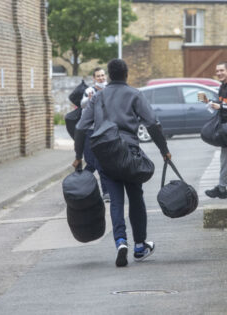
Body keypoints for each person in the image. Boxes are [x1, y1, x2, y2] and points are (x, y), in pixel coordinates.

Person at [72, 59, 171, 267]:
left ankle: (120, 242)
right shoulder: (135, 94)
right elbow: (152, 123)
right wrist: (164, 151)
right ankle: (140, 245)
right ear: (126, 74)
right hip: (129, 153)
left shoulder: (98, 97)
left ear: (108, 75)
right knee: (136, 198)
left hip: (105, 156)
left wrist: (78, 155)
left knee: (116, 201)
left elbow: (81, 127)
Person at [201, 62, 227, 199]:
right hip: (226, 127)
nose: (219, 73)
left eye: (222, 70)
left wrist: (220, 107)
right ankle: (221, 187)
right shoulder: (223, 86)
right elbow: (223, 103)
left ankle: (221, 188)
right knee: (225, 158)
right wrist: (210, 102)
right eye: (217, 71)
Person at [80, 67, 110, 202]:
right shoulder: (89, 91)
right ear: (93, 78)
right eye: (98, 76)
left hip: (104, 131)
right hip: (90, 131)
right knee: (91, 163)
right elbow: (82, 105)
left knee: (102, 163)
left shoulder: (110, 90)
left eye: (103, 75)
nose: (101, 78)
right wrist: (90, 100)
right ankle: (79, 186)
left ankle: (106, 192)